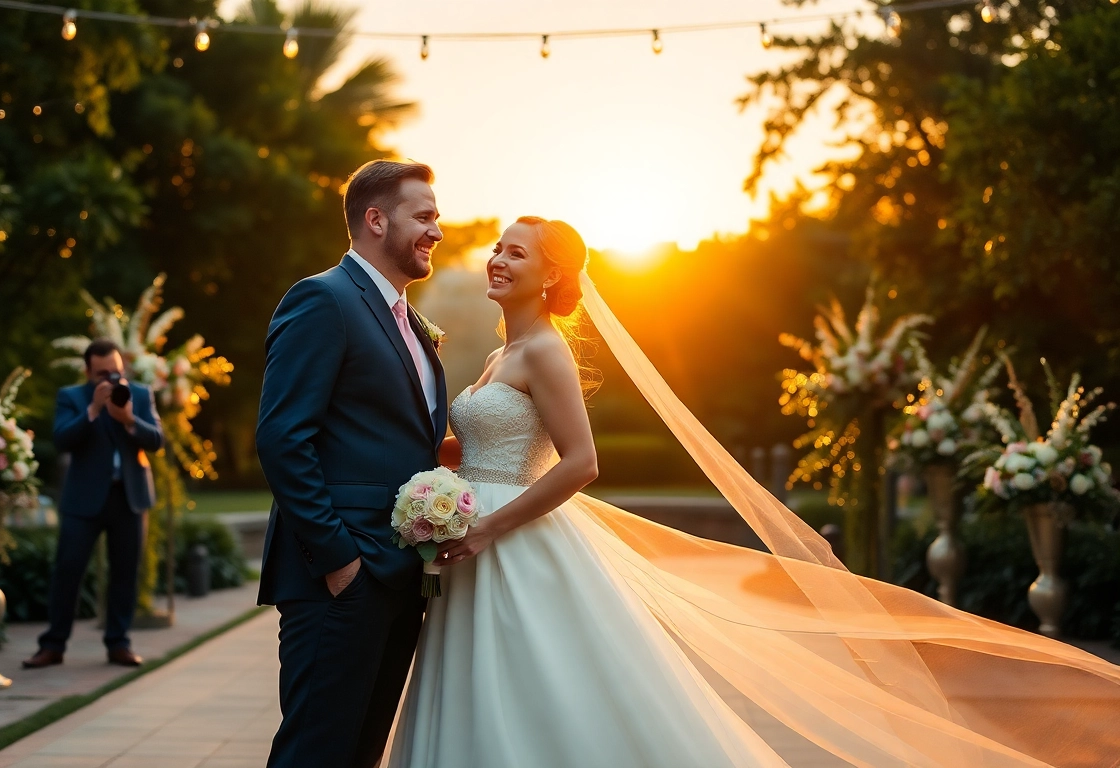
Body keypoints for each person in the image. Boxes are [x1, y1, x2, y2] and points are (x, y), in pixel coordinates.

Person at [386, 217, 1120, 767]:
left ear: (550, 276)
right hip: (470, 544)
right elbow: (482, 444)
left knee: (551, 689)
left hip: (512, 542)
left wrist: (485, 526)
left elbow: (580, 464)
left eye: (516, 251)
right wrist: (441, 481)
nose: (497, 258)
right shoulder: (494, 355)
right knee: (489, 689)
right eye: (499, 247)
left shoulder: (545, 349)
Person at [255, 159, 447, 768]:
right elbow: (284, 438)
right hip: (339, 578)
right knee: (315, 752)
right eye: (424, 216)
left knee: (362, 753)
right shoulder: (323, 299)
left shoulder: (409, 322)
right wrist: (340, 561)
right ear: (374, 220)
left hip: (397, 575)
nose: (437, 231)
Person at [24, 339, 164, 670]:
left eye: (116, 372)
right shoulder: (71, 397)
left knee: (125, 573)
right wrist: (94, 410)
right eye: (102, 374)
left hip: (129, 497)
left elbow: (157, 440)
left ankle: (119, 643)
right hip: (83, 499)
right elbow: (61, 440)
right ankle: (53, 645)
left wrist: (129, 419)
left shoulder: (140, 394)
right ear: (88, 371)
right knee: (67, 571)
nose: (111, 379)